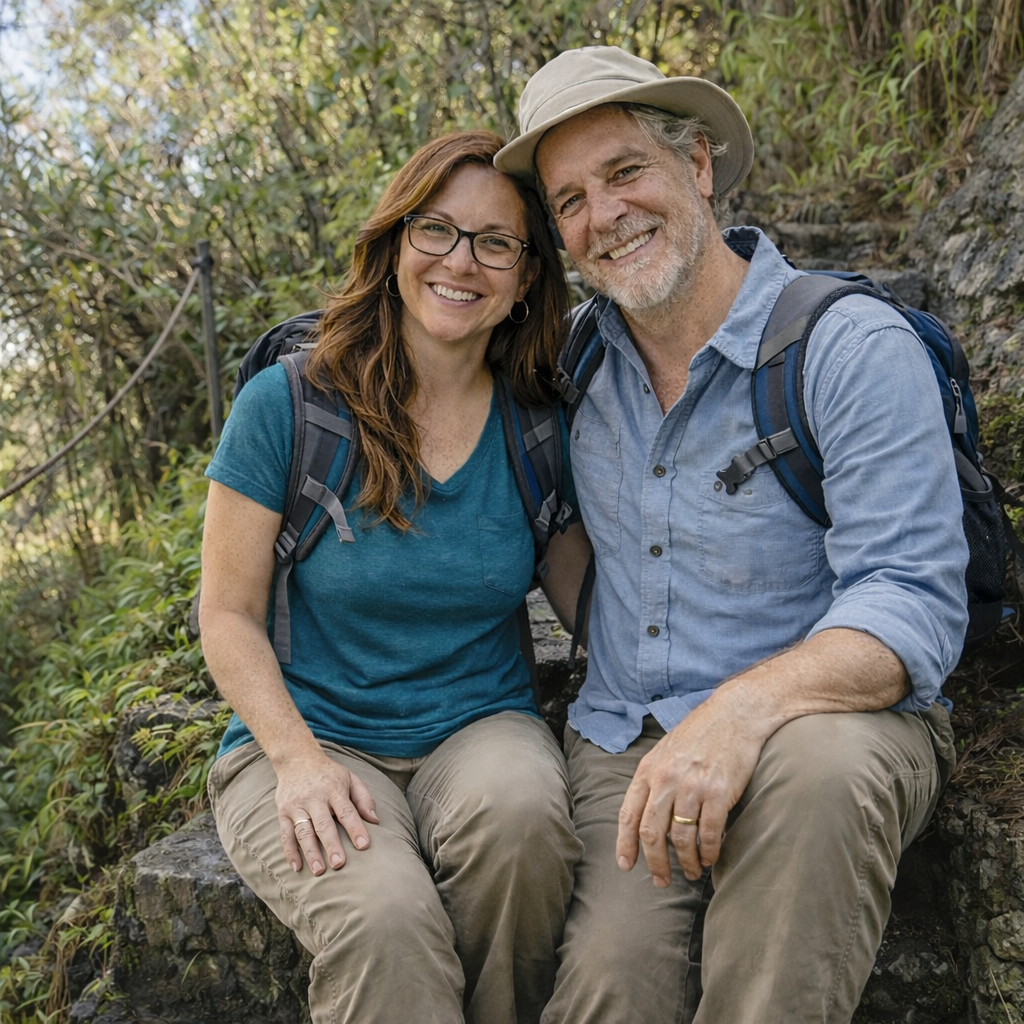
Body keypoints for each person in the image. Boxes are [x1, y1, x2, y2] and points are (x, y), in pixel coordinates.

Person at [494, 46, 969, 1024]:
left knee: (823, 780)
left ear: (697, 166)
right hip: (627, 732)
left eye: (625, 171)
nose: (604, 215)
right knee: (610, 985)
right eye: (570, 199)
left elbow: (911, 604)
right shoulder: (572, 367)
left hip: (826, 722)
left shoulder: (847, 347)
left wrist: (739, 712)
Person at [199, 130, 589, 1024]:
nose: (463, 262)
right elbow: (225, 613)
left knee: (529, 829)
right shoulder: (290, 406)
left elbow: (594, 604)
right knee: (385, 920)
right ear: (394, 244)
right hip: (311, 736)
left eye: (496, 242)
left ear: (527, 276)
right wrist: (295, 762)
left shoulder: (538, 428)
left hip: (480, 726)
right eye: (436, 230)